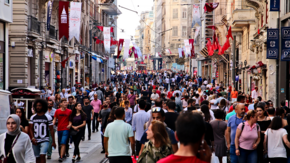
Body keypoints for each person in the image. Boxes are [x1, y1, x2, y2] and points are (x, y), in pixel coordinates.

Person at [29, 99, 55, 163]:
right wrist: (32, 138)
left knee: (42, 155)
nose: (38, 107)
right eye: (37, 106)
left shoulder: (48, 117)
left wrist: (53, 141)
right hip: (35, 140)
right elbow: (30, 129)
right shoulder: (33, 117)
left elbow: (51, 129)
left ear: (43, 106)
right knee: (37, 157)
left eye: (39, 105)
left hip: (45, 140)